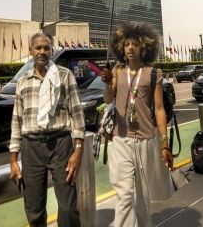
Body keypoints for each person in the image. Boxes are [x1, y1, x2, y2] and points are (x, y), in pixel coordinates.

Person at [100, 21, 173, 227]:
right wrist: (107, 83)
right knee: (124, 193)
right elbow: (108, 99)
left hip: (145, 139)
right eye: (126, 44)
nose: (130, 48)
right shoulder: (117, 71)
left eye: (135, 44)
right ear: (121, 48)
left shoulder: (153, 73)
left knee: (143, 194)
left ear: (144, 47)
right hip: (121, 138)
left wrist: (164, 142)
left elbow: (159, 109)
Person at [9, 33, 85, 227]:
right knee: (34, 209)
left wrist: (78, 151)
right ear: (31, 51)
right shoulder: (23, 81)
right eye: (38, 48)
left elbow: (77, 114)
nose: (42, 52)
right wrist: (13, 160)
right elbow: (17, 121)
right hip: (31, 147)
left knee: (68, 207)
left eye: (47, 48)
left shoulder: (64, 75)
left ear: (51, 51)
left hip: (60, 144)